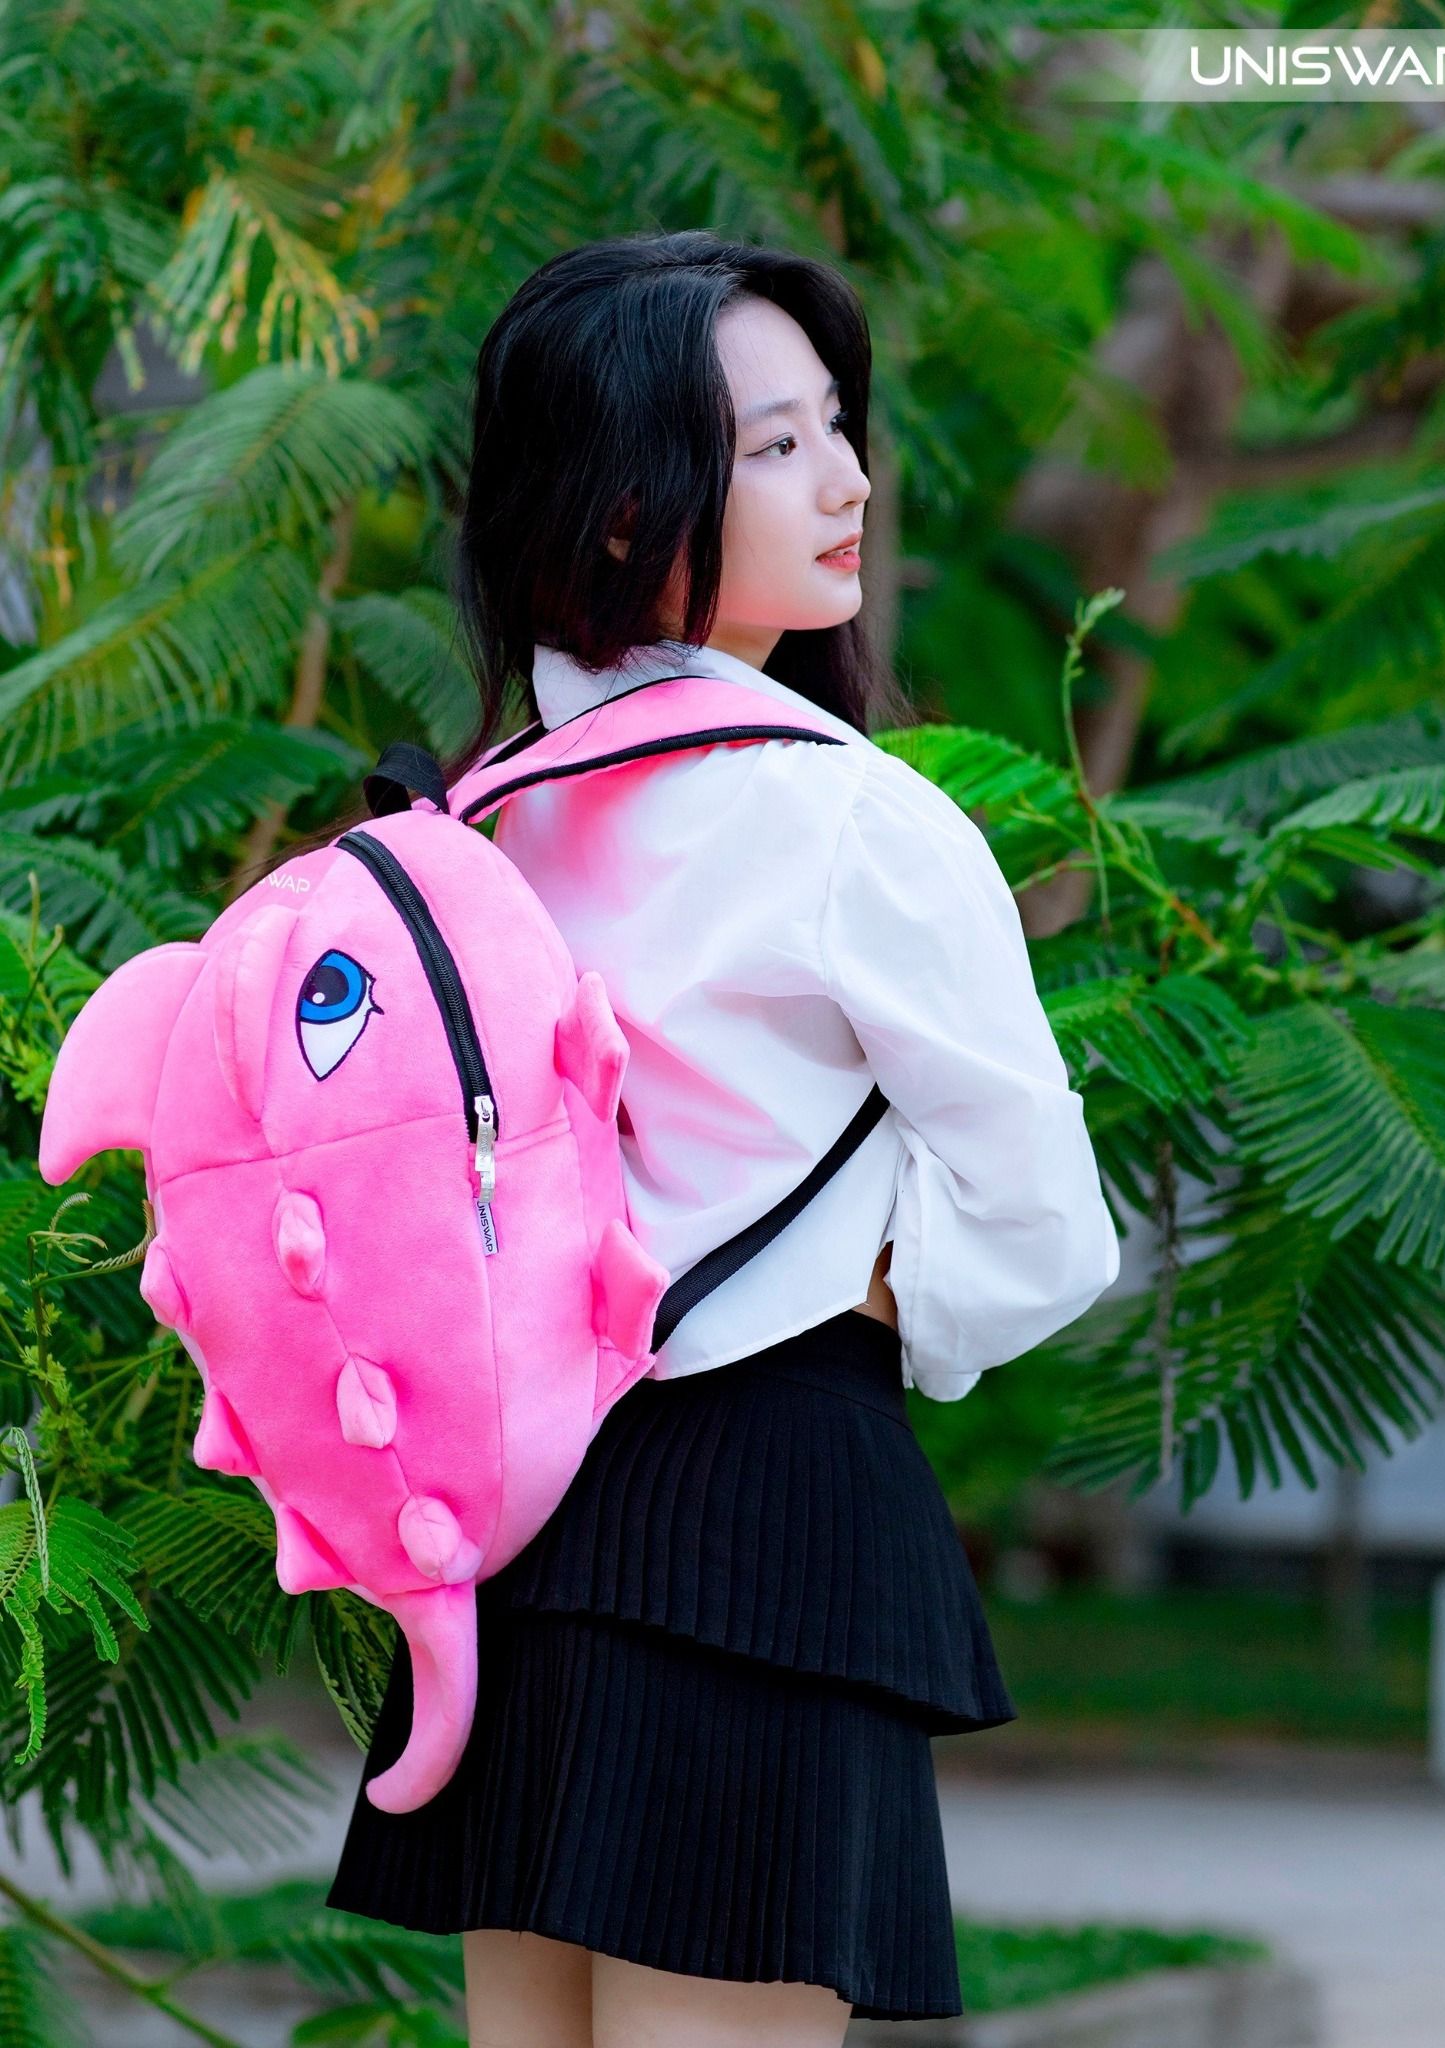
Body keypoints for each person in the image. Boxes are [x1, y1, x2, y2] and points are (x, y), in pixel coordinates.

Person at [322, 229, 1120, 2047]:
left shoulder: (467, 828)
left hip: (520, 1540)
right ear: (625, 510)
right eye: (773, 445)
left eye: (835, 427)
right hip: (766, 1526)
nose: (846, 484)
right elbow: (1047, 1238)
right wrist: (863, 1287)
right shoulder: (854, 823)